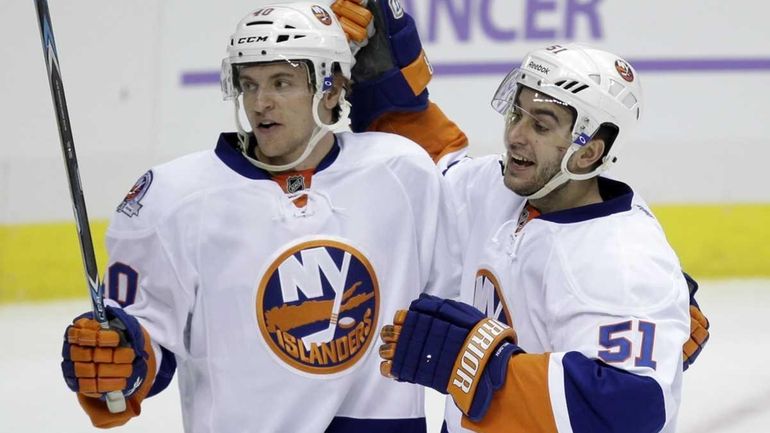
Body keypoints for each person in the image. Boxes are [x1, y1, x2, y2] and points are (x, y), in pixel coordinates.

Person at [59, 2, 461, 432]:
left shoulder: (401, 172)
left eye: (281, 83)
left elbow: (459, 297)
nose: (260, 103)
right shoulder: (174, 199)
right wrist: (123, 358)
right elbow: (147, 345)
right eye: (249, 84)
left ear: (330, 89)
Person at [331, 2, 710, 432]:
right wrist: (385, 79)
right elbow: (424, 167)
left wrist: (477, 365)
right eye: (517, 112)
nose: (515, 135)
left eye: (541, 125)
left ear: (589, 152)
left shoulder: (622, 261)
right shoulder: (500, 191)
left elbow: (630, 410)